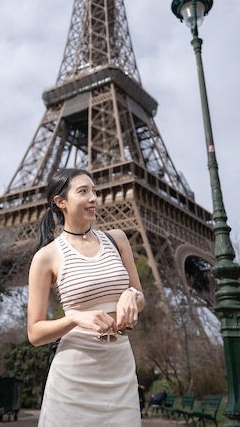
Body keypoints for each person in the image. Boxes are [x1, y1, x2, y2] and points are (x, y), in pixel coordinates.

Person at [27, 168, 145, 427]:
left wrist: (130, 294)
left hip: (120, 365)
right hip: (74, 373)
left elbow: (140, 297)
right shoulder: (46, 257)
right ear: (61, 202)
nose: (94, 197)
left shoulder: (117, 240)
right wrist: (75, 318)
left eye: (94, 191)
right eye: (83, 191)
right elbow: (35, 333)